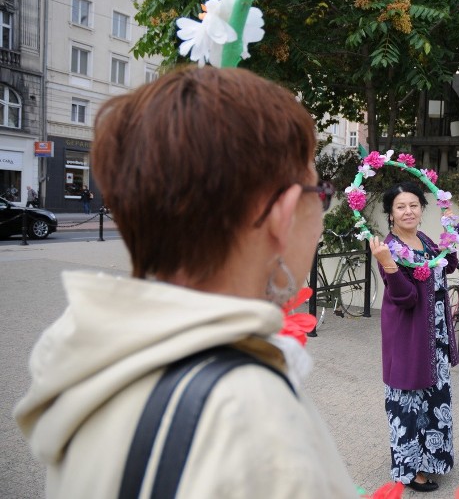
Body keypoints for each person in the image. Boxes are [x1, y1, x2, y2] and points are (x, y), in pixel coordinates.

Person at [13, 66, 359, 498]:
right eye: (319, 194)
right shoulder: (253, 420)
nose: (323, 217)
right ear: (282, 215)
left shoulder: (91, 364)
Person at [368, 181, 459, 493]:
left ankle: (432, 459)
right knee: (407, 402)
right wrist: (389, 267)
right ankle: (408, 469)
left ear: (422, 210)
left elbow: (445, 267)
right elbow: (405, 298)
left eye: (414, 205)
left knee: (434, 399)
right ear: (391, 214)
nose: (408, 211)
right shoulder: (389, 248)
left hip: (435, 336)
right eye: (400, 207)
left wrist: (451, 240)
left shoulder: (423, 239)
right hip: (408, 337)